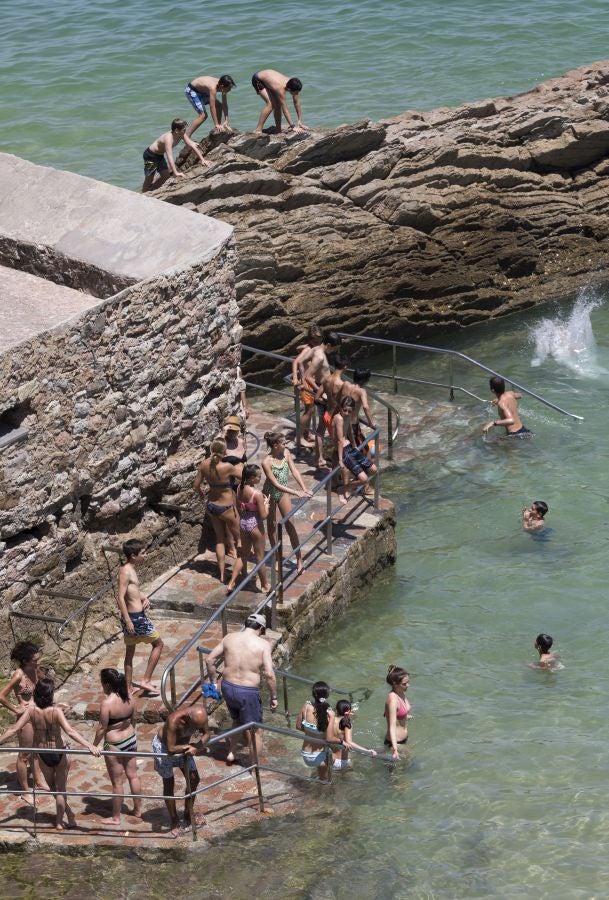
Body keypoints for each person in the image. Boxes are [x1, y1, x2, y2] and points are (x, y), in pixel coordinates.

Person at [0, 679, 100, 830]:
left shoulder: (31, 711)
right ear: (50, 695)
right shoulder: (56, 711)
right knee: (61, 790)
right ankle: (62, 821)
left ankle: (67, 816)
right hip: (59, 752)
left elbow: (14, 729)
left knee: (54, 789)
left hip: (43, 754)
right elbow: (70, 731)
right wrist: (90, 746)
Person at [206, 613, 278, 766]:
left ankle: (231, 753)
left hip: (227, 687)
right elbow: (270, 675)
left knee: (237, 720)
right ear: (261, 628)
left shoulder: (229, 637)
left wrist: (213, 683)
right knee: (255, 731)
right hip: (247, 692)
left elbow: (209, 659)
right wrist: (274, 697)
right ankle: (254, 768)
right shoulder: (263, 645)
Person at [0, 641, 49, 803]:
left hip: (38, 714)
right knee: (25, 755)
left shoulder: (35, 670)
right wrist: (15, 708)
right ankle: (25, 791)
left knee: (36, 751)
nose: (38, 662)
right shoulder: (18, 675)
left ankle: (39, 781)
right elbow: (1, 695)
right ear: (26, 660)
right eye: (35, 660)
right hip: (26, 718)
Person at [152, 704, 209, 837]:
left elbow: (206, 734)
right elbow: (171, 748)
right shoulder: (173, 721)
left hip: (185, 747)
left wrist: (198, 746)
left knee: (194, 778)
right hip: (165, 748)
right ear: (189, 718)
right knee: (169, 782)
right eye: (195, 726)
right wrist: (191, 746)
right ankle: (174, 819)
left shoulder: (201, 715)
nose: (197, 729)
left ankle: (188, 813)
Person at [93, 668, 141, 827]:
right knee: (133, 776)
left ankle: (116, 818)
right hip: (130, 739)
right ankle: (138, 810)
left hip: (114, 744)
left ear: (107, 684)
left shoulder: (106, 703)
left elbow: (102, 728)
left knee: (117, 782)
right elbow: (134, 718)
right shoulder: (129, 697)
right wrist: (130, 732)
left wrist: (94, 745)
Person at [193, 438, 243, 590]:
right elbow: (245, 478)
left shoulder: (203, 464)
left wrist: (203, 495)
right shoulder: (227, 466)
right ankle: (241, 573)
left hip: (212, 506)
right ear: (224, 451)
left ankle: (221, 575)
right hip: (227, 507)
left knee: (220, 540)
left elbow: (195, 486)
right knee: (240, 540)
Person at [116, 540, 164, 696]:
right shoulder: (125, 571)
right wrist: (128, 620)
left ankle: (129, 688)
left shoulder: (131, 569)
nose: (145, 555)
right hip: (135, 618)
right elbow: (120, 597)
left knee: (130, 651)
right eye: (142, 553)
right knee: (158, 644)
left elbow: (133, 590)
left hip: (135, 616)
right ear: (133, 555)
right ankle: (146, 680)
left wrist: (144, 597)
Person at [261, 431, 312, 574]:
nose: (286, 445)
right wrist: (296, 492)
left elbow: (295, 471)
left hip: (282, 494)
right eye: (283, 443)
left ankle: (299, 559)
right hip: (269, 495)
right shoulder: (266, 462)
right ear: (275, 445)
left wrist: (304, 488)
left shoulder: (287, 453)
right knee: (271, 528)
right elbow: (275, 483)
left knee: (290, 524)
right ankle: (276, 557)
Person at [297, 332, 342, 466]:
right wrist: (320, 392)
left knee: (324, 427)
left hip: (326, 392)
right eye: (334, 348)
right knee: (321, 429)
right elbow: (308, 376)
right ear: (328, 345)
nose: (334, 351)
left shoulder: (315, 349)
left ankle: (323, 455)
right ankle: (320, 458)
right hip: (324, 395)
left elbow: (302, 361)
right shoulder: (320, 357)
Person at [141, 118, 210, 193]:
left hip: (159, 156)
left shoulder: (181, 134)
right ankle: (144, 193)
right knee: (149, 178)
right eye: (183, 129)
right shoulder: (168, 139)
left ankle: (151, 191)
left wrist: (203, 160)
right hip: (150, 155)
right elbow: (169, 157)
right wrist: (175, 172)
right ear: (176, 130)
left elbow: (191, 145)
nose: (185, 131)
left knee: (165, 176)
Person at [333, 396, 377, 505]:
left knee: (374, 469)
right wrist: (340, 459)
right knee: (364, 479)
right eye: (345, 410)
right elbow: (339, 440)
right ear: (340, 408)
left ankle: (349, 486)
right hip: (343, 451)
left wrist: (354, 445)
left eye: (349, 411)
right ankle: (342, 489)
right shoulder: (338, 418)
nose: (347, 413)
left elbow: (350, 432)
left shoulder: (347, 417)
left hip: (351, 448)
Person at [236, 464, 270, 592]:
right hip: (255, 526)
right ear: (251, 478)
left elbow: (239, 505)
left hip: (244, 523)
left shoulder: (239, 488)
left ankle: (238, 578)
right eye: (258, 476)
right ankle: (264, 585)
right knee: (259, 556)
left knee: (243, 554)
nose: (260, 478)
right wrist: (266, 505)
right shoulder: (257, 494)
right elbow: (263, 516)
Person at [295, 681, 334, 780]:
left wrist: (310, 732)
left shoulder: (306, 706)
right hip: (320, 756)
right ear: (327, 695)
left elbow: (298, 726)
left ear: (313, 694)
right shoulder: (329, 713)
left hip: (305, 754)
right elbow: (330, 737)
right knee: (324, 780)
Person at [325, 699, 377, 771]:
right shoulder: (346, 724)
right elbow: (349, 743)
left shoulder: (329, 720)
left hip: (330, 759)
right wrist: (367, 751)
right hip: (342, 760)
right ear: (348, 712)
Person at [292, 325, 323, 442]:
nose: (317, 343)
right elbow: (296, 362)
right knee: (308, 411)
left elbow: (301, 348)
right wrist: (295, 379)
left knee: (311, 411)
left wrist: (307, 346)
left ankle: (307, 433)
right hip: (306, 383)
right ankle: (299, 438)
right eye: (315, 341)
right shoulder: (309, 349)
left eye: (319, 341)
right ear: (310, 340)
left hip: (312, 381)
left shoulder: (312, 347)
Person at [252, 69, 306, 134]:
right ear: (289, 89)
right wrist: (293, 127)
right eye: (295, 92)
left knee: (278, 105)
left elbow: (296, 102)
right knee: (271, 104)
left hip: (269, 79)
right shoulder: (280, 89)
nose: (296, 94)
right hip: (258, 79)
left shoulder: (293, 84)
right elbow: (285, 110)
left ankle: (278, 130)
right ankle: (258, 129)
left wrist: (300, 120)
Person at [340, 367, 376, 454]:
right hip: (353, 425)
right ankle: (368, 466)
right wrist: (371, 423)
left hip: (342, 420)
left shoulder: (346, 385)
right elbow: (365, 407)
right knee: (364, 449)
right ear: (365, 380)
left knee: (347, 445)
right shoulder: (361, 391)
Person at [383, 665, 412, 760]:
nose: (408, 685)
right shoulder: (392, 699)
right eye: (404, 684)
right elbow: (392, 726)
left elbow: (394, 712)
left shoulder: (401, 691)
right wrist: (395, 749)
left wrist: (405, 715)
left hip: (403, 740)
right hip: (395, 743)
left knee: (404, 768)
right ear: (395, 684)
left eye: (408, 682)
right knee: (410, 760)